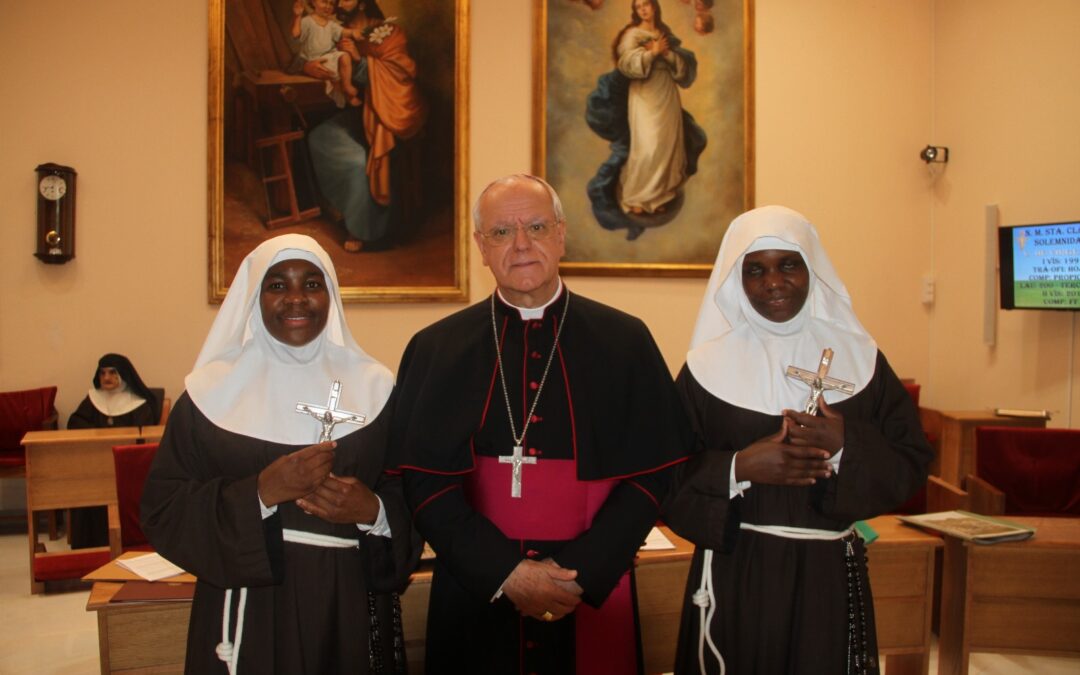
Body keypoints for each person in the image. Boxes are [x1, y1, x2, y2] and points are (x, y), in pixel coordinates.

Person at [393, 174, 692, 673]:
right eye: (501, 232)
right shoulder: (436, 349)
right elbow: (423, 483)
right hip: (477, 589)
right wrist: (505, 573)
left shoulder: (625, 340)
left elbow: (656, 471)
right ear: (480, 247)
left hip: (593, 587)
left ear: (561, 234)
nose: (522, 244)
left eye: (536, 225)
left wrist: (581, 574)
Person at [662, 206, 933, 674]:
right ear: (736, 280)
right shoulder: (706, 367)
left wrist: (846, 442)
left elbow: (911, 461)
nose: (773, 282)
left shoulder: (860, 357)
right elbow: (663, 471)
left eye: (788, 264)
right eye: (755, 270)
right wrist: (738, 467)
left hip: (829, 575)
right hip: (739, 573)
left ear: (812, 268)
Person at [141, 234, 419, 674]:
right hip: (250, 607)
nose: (296, 299)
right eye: (277, 285)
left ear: (331, 294)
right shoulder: (209, 393)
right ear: (254, 295)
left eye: (312, 284)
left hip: (346, 602)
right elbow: (165, 507)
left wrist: (374, 511)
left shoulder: (377, 387)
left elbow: (410, 491)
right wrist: (259, 494)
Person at [306, 0, 426, 252]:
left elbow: (398, 74)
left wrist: (358, 59)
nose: (339, 2)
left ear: (362, 2)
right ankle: (341, 208)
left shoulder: (389, 32)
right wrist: (309, 65)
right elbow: (307, 53)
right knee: (321, 137)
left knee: (359, 162)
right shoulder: (333, 28)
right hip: (362, 114)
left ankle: (366, 231)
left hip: (388, 116)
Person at [586, 0, 707, 237]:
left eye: (646, 5)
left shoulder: (665, 35)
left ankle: (660, 195)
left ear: (654, 7)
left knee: (666, 146)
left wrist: (668, 55)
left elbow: (682, 69)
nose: (643, 9)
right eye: (638, 6)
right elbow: (626, 63)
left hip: (666, 93)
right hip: (643, 93)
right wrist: (652, 54)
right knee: (647, 146)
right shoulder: (631, 34)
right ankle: (636, 197)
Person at [67, 353, 159, 548]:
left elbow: (142, 435)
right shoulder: (93, 399)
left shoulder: (138, 403)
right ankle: (89, 545)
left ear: (124, 375)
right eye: (102, 373)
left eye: (112, 373)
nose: (106, 378)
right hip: (95, 465)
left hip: (127, 468)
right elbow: (75, 423)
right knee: (83, 487)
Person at [291, 0, 362, 107]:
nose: (328, 6)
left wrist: (353, 32)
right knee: (330, 71)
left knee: (345, 56)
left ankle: (347, 85)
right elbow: (295, 35)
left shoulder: (331, 24)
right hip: (314, 59)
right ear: (313, 2)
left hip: (329, 55)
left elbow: (343, 32)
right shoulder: (307, 21)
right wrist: (297, 17)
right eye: (324, 2)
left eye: (331, 4)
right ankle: (347, 94)